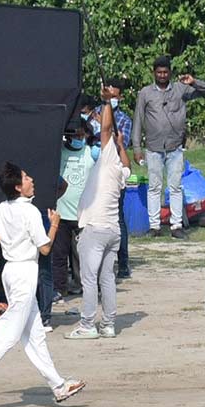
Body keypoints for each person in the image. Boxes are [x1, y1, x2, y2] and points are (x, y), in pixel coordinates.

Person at [0, 162, 86, 407]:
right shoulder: (29, 212)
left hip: (11, 271)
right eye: (27, 178)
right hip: (24, 271)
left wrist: (5, 239)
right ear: (18, 187)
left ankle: (58, 385)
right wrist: (54, 225)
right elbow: (45, 248)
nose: (32, 181)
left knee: (35, 334)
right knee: (9, 329)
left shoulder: (2, 208)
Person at [66, 87, 132, 340]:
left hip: (95, 229)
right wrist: (121, 144)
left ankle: (87, 324)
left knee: (89, 278)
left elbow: (105, 130)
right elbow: (127, 164)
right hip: (112, 231)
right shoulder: (120, 169)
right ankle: (109, 324)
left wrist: (106, 103)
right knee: (107, 278)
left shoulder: (106, 159)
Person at [132, 55, 205, 239]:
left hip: (175, 147)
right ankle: (155, 225)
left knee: (175, 186)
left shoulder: (180, 89)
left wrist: (193, 81)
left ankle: (176, 225)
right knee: (154, 187)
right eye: (158, 72)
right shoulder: (145, 93)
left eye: (165, 72)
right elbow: (138, 120)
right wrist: (137, 148)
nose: (162, 75)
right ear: (154, 73)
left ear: (170, 73)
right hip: (153, 147)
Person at [98, 79, 134, 278]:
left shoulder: (124, 120)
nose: (112, 100)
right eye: (108, 96)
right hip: (95, 172)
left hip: (114, 173)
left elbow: (117, 143)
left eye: (114, 97)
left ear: (119, 98)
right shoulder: (94, 113)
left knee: (117, 218)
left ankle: (123, 262)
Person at [54, 119, 94, 299]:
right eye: (75, 134)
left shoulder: (90, 153)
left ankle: (84, 286)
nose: (79, 137)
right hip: (61, 215)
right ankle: (58, 289)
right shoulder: (58, 152)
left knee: (82, 255)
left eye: (81, 134)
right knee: (59, 255)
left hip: (83, 214)